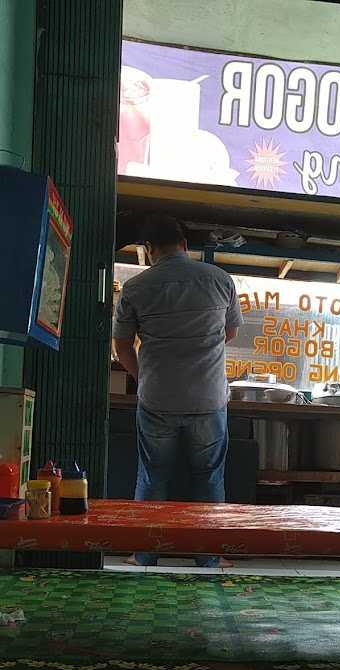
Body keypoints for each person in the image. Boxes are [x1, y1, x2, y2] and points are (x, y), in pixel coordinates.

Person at [112, 214, 243, 567]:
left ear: (150, 250)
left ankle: (144, 554)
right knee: (208, 478)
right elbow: (229, 334)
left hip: (156, 399)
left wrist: (143, 378)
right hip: (208, 398)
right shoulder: (220, 280)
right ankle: (209, 558)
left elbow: (121, 345)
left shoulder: (136, 288)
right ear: (185, 245)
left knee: (154, 477)